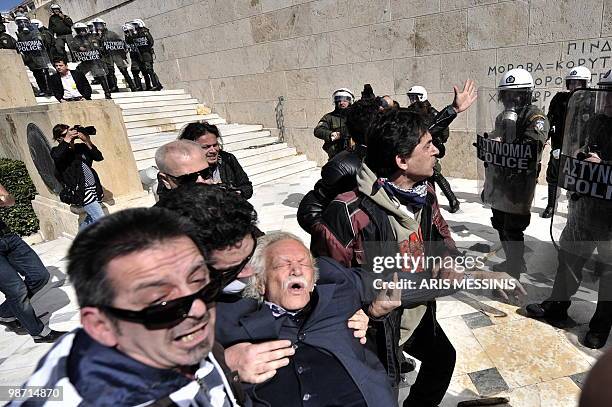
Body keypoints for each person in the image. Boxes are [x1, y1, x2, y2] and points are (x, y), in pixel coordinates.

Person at [310, 107, 522, 406]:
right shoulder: (348, 212)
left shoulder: (426, 193)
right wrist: (369, 314)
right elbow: (328, 289)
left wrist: (453, 262)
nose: (437, 150)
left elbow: (443, 241)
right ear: (402, 160)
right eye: (427, 145)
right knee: (384, 393)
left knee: (442, 358)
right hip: (373, 330)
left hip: (416, 313)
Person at [10, 208, 249, 406]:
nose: (198, 310)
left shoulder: (175, 341)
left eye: (201, 285)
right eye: (162, 303)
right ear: (102, 326)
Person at [156, 183, 371, 386]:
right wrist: (220, 365)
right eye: (232, 269)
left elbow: (387, 281)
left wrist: (365, 310)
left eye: (250, 256)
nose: (251, 271)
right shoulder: (151, 307)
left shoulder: (241, 236)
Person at [298, 80, 476, 235]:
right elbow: (309, 211)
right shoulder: (343, 167)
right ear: (376, 129)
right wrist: (339, 238)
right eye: (387, 117)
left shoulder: (391, 152)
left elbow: (424, 132)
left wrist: (452, 110)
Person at [525, 71, 612, 349]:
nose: (606, 100)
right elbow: (586, 147)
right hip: (586, 206)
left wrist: (606, 164)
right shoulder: (599, 121)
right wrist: (579, 155)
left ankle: (600, 327)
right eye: (605, 93)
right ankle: (557, 306)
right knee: (570, 257)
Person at [482, 68, 549, 279]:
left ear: (527, 94)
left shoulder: (535, 117)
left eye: (517, 94)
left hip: (520, 181)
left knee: (513, 227)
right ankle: (513, 261)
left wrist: (508, 142)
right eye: (508, 94)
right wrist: (490, 141)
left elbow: (533, 147)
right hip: (500, 178)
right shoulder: (502, 116)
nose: (512, 99)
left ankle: (514, 271)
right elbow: (495, 136)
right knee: (499, 222)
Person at [0, 182, 66, 343]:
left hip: (7, 237)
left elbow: (10, 200)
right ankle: (39, 333)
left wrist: (5, 198)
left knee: (40, 276)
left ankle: (6, 312)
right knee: (16, 290)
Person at [541, 66, 592, 218]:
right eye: (571, 82)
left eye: (578, 83)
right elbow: (549, 120)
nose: (574, 86)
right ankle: (551, 205)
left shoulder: (592, 100)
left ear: (585, 84)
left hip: (580, 147)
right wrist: (544, 138)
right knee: (553, 174)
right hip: (560, 144)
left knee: (577, 178)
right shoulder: (559, 99)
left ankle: (574, 207)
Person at [408, 85, 460, 213]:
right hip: (418, 147)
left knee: (435, 173)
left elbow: (444, 131)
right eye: (411, 97)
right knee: (427, 176)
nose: (412, 100)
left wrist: (435, 142)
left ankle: (452, 200)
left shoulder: (433, 112)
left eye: (414, 97)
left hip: (431, 146)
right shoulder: (411, 111)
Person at [51, 124, 105, 231]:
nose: (70, 135)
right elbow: (56, 156)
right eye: (65, 134)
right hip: (81, 190)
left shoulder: (81, 148)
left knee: (92, 217)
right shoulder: (57, 151)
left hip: (94, 186)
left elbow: (99, 157)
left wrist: (87, 141)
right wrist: (68, 138)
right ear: (59, 138)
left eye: (70, 132)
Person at [178, 122, 253, 199]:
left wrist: (235, 194)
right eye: (206, 147)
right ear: (191, 148)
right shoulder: (184, 170)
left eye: (215, 145)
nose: (213, 150)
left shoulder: (228, 159)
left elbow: (246, 187)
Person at [93, 18, 137, 92]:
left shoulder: (111, 33)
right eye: (96, 25)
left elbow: (120, 42)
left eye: (99, 25)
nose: (98, 27)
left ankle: (132, 86)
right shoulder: (97, 36)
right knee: (110, 72)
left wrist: (122, 53)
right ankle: (114, 87)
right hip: (107, 56)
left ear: (103, 25)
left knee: (123, 71)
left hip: (116, 55)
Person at [69, 22, 111, 99]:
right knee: (76, 74)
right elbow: (73, 45)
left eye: (82, 30)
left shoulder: (92, 36)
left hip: (95, 61)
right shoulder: (76, 38)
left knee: (101, 76)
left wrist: (91, 46)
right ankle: (81, 93)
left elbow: (98, 45)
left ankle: (107, 93)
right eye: (79, 30)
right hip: (85, 62)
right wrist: (79, 47)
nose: (81, 32)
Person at [15, 16, 51, 97]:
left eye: (23, 22)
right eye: (19, 22)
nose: (22, 24)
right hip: (30, 59)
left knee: (45, 73)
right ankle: (43, 89)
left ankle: (49, 89)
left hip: (40, 57)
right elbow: (19, 44)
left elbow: (39, 42)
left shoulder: (35, 32)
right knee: (37, 75)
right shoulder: (20, 35)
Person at [314, 88, 353, 159]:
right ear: (335, 102)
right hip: (336, 155)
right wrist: (333, 134)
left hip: (354, 155)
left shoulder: (355, 116)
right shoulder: (329, 117)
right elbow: (318, 130)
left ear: (350, 102)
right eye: (339, 101)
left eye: (345, 100)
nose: (341, 103)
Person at [130, 19, 163, 91]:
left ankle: (156, 85)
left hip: (146, 53)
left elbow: (151, 42)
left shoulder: (145, 32)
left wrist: (146, 49)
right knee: (144, 71)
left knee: (150, 69)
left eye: (136, 25)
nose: (135, 26)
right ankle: (148, 86)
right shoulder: (135, 34)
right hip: (140, 54)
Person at [123, 23, 143, 91]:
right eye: (126, 32)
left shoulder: (136, 35)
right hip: (133, 57)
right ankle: (138, 86)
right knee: (134, 71)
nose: (127, 33)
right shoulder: (127, 38)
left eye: (128, 31)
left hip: (140, 56)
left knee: (146, 71)